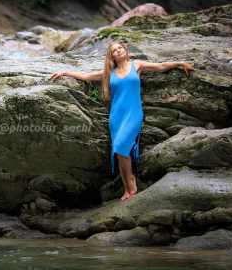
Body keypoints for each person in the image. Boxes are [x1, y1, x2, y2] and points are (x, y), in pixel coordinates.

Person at [49, 41, 194, 202]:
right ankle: (127, 187)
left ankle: (131, 182)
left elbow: (161, 66)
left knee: (120, 147)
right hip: (116, 116)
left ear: (125, 51)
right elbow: (86, 76)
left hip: (133, 114)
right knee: (119, 153)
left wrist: (180, 64)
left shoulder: (137, 65)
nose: (117, 51)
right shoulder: (109, 73)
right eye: (114, 51)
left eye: (119, 48)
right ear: (111, 56)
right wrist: (65, 73)